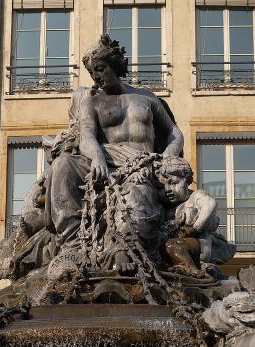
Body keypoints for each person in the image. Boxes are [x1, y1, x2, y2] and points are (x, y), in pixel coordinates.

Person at [44, 34, 184, 270]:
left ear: (114, 65)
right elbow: (86, 134)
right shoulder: (92, 101)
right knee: (63, 165)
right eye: (92, 73)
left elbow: (174, 133)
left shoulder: (146, 97)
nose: (96, 76)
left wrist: (167, 158)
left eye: (100, 69)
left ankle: (123, 248)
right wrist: (97, 155)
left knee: (136, 191)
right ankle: (72, 245)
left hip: (141, 162)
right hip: (106, 157)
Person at [154, 156, 235, 276]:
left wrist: (195, 227)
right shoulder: (166, 209)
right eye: (162, 187)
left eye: (174, 183)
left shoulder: (196, 196)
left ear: (187, 181)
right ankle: (181, 266)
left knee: (172, 245)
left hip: (200, 245)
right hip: (179, 247)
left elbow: (210, 203)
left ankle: (192, 270)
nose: (168, 190)